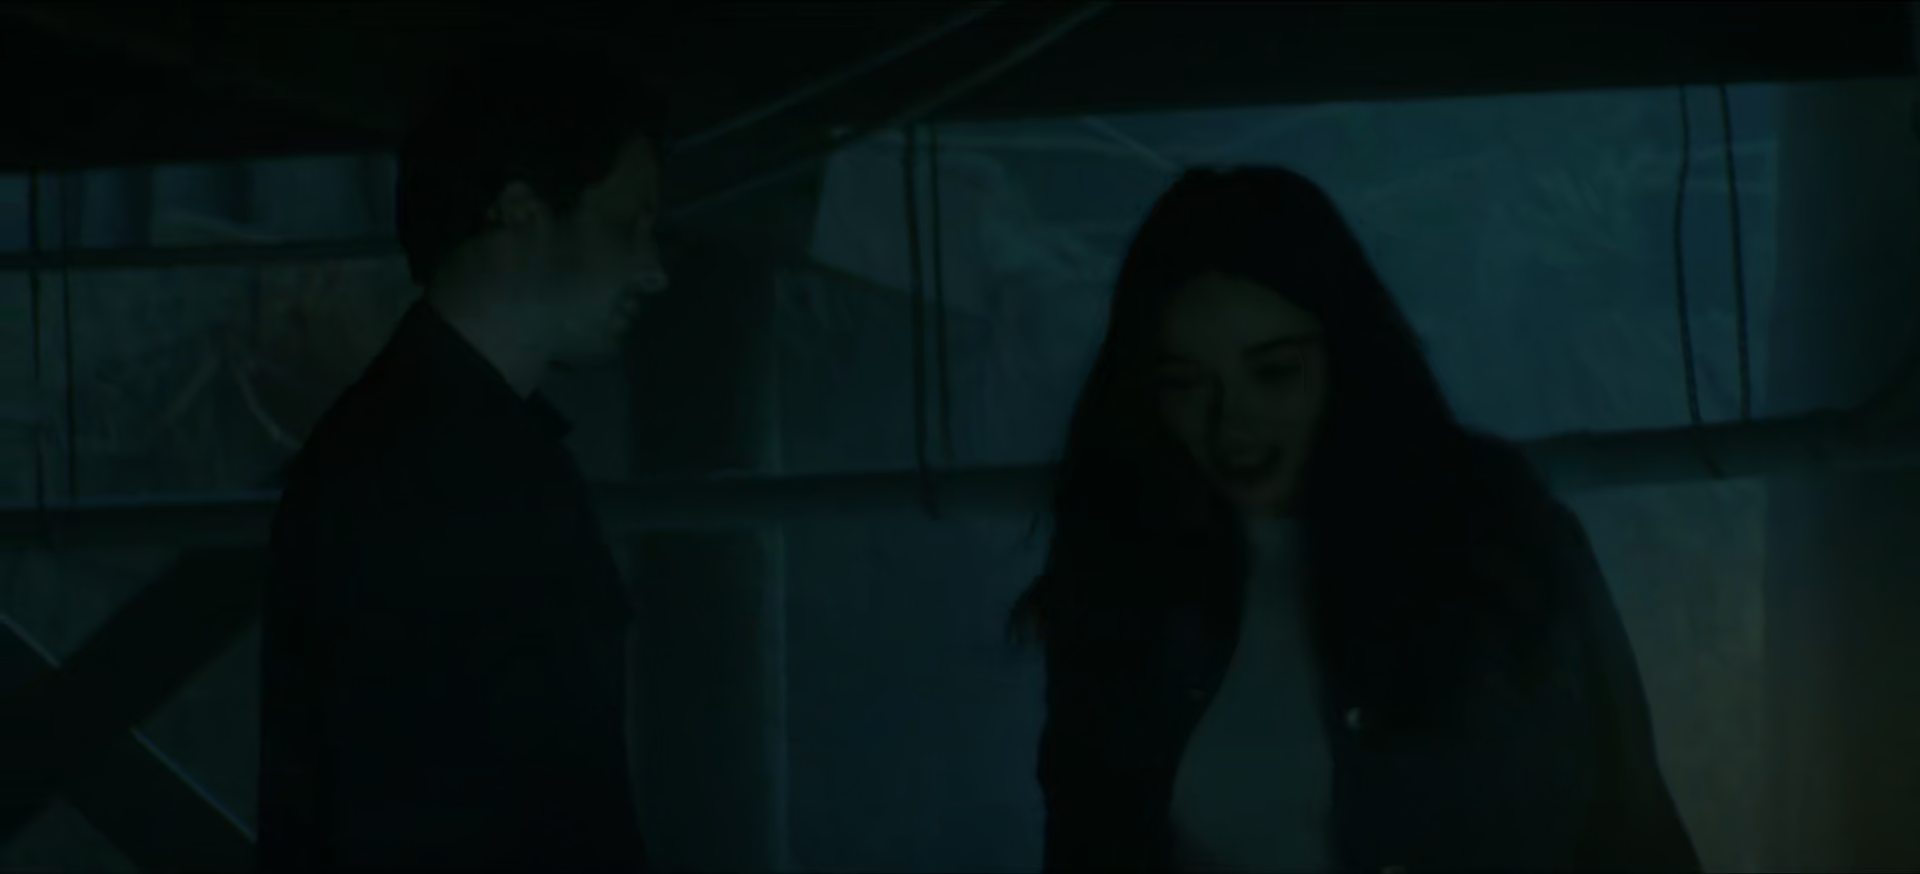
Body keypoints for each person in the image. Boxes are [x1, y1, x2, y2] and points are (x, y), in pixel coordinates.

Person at [1013, 166, 1700, 873]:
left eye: (1274, 372)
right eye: (1185, 383)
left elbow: (1630, 825)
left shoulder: (1500, 549)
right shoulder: (1124, 590)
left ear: (1345, 358)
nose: (1231, 422)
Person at [257, 43, 669, 872]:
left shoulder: (429, 454)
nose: (652, 270)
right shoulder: (423, 473)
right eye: (626, 226)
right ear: (520, 215)